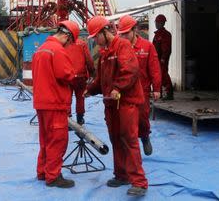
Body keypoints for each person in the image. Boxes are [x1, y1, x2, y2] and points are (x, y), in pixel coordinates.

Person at [85, 16, 148, 197]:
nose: (96, 41)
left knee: (129, 139)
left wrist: (117, 88)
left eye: (96, 37)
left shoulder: (123, 46)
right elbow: (101, 80)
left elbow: (130, 71)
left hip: (126, 102)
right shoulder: (105, 54)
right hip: (112, 104)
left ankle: (139, 182)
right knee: (115, 138)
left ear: (106, 32)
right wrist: (90, 90)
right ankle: (121, 175)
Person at [32, 20, 79, 188]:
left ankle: (43, 172)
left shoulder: (41, 50)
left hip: (41, 103)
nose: (69, 46)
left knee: (45, 139)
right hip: (55, 103)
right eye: (70, 42)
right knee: (57, 140)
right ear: (66, 36)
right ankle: (53, 176)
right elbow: (66, 75)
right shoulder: (57, 50)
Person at [117, 15, 161, 156]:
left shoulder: (147, 46)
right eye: (121, 33)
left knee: (142, 119)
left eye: (126, 33)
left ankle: (145, 137)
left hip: (142, 91)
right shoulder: (118, 47)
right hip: (124, 92)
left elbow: (154, 68)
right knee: (126, 122)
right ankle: (131, 149)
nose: (124, 36)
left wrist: (157, 88)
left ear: (134, 30)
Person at [65, 37, 95, 124]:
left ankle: (68, 121)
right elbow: (89, 60)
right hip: (80, 77)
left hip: (67, 75)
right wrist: (92, 73)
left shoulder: (63, 43)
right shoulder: (82, 43)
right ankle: (80, 119)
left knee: (67, 98)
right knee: (80, 98)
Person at [152, 14, 173, 100]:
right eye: (156, 22)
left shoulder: (165, 35)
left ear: (162, 23)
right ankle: (159, 92)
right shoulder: (157, 35)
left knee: (163, 75)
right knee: (158, 76)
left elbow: (166, 48)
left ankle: (169, 93)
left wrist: (163, 58)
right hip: (157, 59)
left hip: (162, 59)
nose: (156, 24)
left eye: (157, 22)